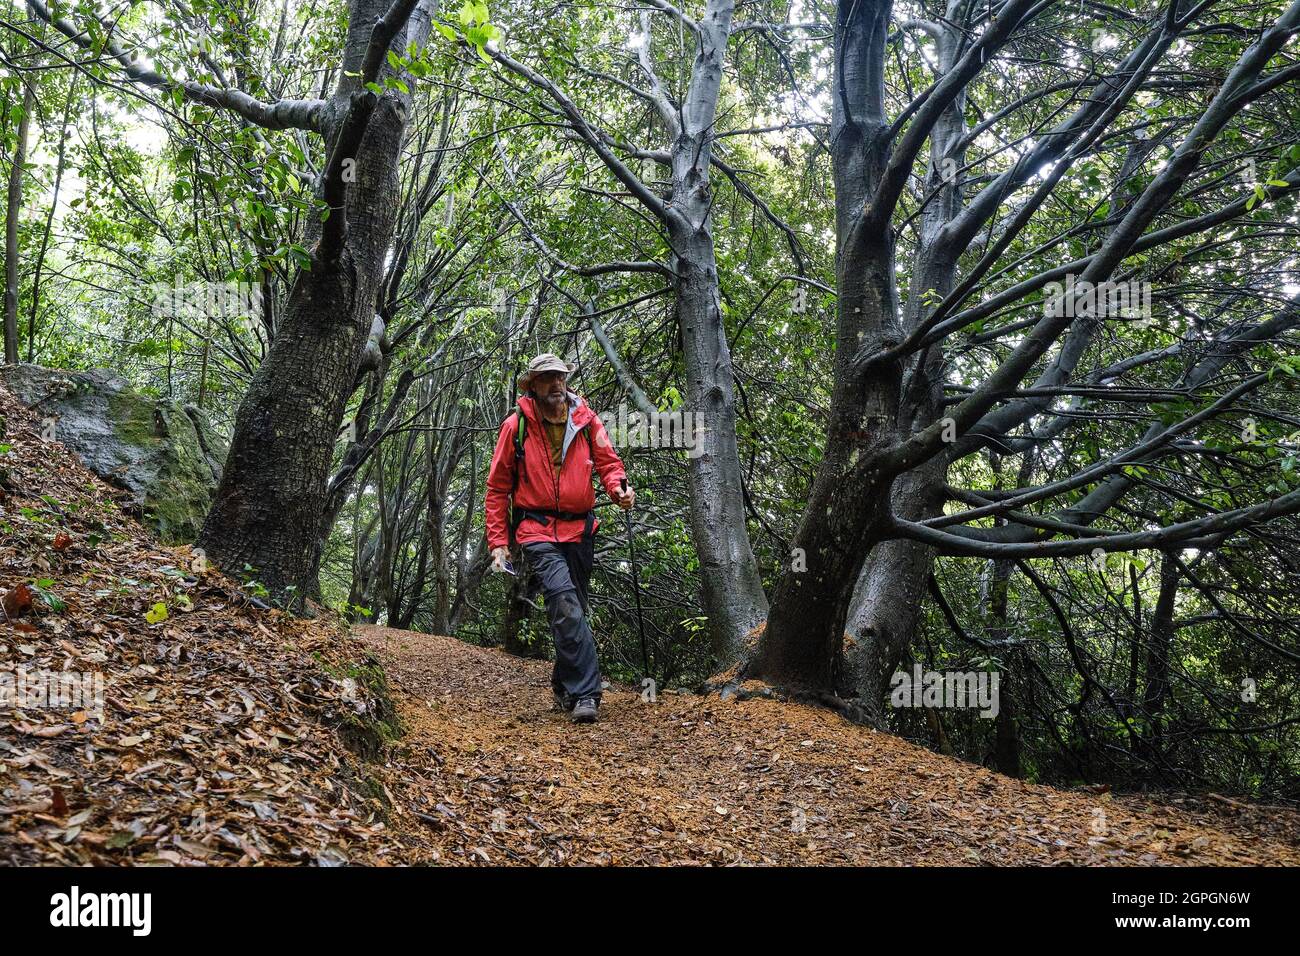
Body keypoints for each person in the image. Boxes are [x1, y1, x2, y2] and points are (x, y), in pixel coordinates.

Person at [484, 353, 634, 723]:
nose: (555, 385)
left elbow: (609, 464)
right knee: (563, 601)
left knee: (573, 610)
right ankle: (586, 693)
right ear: (532, 385)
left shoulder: (586, 420)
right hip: (535, 528)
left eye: (560, 377)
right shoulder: (515, 426)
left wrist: (619, 490)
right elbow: (497, 488)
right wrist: (498, 541)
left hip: (580, 528)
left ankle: (563, 684)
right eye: (547, 378)